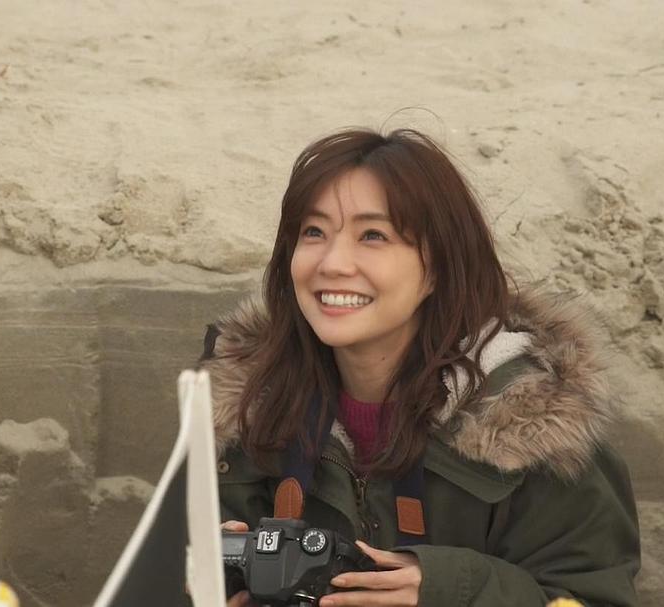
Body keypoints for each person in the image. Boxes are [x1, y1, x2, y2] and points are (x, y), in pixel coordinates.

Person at [197, 128, 640, 606]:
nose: (333, 263)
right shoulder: (248, 412)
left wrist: (452, 591)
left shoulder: (533, 426)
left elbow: (593, 597)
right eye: (314, 232)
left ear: (439, 265)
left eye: (373, 235)